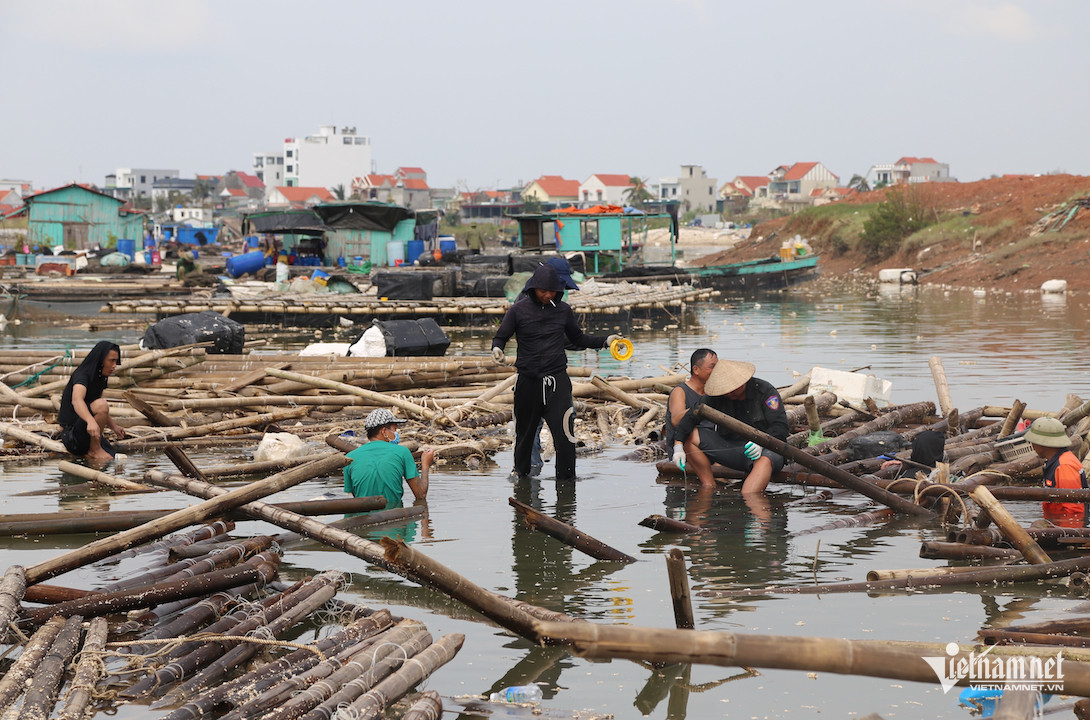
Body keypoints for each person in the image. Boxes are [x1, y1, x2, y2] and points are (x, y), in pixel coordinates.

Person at [491, 263, 620, 481]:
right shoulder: (518, 310)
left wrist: (605, 341)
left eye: (552, 291)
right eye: (543, 291)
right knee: (525, 435)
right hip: (528, 382)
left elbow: (578, 338)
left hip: (557, 382)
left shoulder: (563, 311)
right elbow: (501, 336)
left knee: (565, 436)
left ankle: (566, 483)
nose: (548, 295)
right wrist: (497, 349)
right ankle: (521, 479)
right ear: (533, 288)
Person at [674, 359, 787, 495]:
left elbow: (780, 426)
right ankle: (709, 486)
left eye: (732, 389)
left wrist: (762, 442)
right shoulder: (717, 396)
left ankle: (750, 499)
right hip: (732, 448)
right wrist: (678, 445)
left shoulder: (765, 391)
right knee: (691, 436)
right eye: (725, 390)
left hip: (765, 450)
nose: (728, 393)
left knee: (764, 462)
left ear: (742, 382)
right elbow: (691, 416)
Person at [344, 408, 434, 509]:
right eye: (394, 429)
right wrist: (425, 465)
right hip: (394, 516)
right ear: (384, 431)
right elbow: (421, 494)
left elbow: (355, 497)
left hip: (361, 517)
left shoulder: (349, 457)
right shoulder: (402, 452)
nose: (396, 433)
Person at [57, 341, 127, 461]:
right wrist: (90, 421)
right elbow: (77, 400)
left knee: (112, 455)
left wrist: (114, 427)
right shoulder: (82, 375)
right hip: (71, 435)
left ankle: (96, 448)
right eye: (111, 361)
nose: (114, 365)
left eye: (116, 361)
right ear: (101, 359)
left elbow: (100, 408)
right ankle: (94, 450)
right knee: (101, 404)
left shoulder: (101, 377)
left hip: (86, 430)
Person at [666, 348, 718, 487]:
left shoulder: (714, 393)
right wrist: (701, 408)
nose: (716, 371)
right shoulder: (680, 391)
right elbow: (676, 420)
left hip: (711, 447)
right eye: (712, 367)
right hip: (686, 450)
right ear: (696, 370)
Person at [1025, 416, 1086, 526]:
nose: (1032, 445)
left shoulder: (1064, 466)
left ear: (1042, 443)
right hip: (1057, 524)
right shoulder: (1055, 461)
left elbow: (1073, 511)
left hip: (1067, 528)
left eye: (1033, 441)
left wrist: (1064, 534)